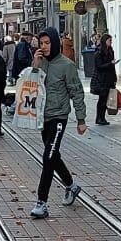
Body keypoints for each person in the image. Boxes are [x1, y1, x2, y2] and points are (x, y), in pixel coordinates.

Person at [29, 28, 87, 219]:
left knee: (48, 157)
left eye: (47, 43)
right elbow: (31, 87)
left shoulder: (67, 66)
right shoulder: (40, 63)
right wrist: (35, 66)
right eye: (41, 43)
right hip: (43, 118)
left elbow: (77, 93)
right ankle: (71, 186)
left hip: (59, 117)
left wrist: (81, 119)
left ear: (55, 43)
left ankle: (41, 203)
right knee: (53, 156)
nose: (44, 47)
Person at [90, 31, 119, 126]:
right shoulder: (99, 52)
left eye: (111, 40)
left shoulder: (111, 51)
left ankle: (102, 118)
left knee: (105, 99)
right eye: (109, 40)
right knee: (102, 100)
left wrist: (114, 78)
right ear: (104, 41)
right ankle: (99, 118)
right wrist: (110, 64)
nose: (111, 42)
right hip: (101, 80)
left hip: (109, 79)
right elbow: (99, 66)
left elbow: (112, 67)